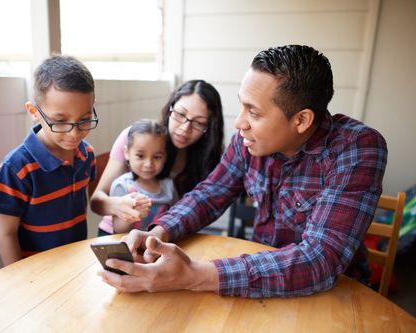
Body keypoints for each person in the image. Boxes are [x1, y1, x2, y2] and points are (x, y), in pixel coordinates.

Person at [97, 45, 388, 298]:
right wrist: (157, 233)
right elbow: (210, 194)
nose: (239, 123)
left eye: (254, 112)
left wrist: (194, 274)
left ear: (301, 120)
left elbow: (320, 260)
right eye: (241, 105)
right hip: (262, 279)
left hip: (337, 293)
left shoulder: (357, 148)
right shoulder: (248, 141)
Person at [0, 55, 98, 266]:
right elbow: (6, 234)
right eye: (60, 121)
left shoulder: (86, 154)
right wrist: (20, 280)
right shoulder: (16, 167)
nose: (74, 133)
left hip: (74, 264)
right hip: (35, 274)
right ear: (34, 112)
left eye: (84, 120)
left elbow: (93, 201)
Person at [91, 80, 225, 235]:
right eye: (180, 114)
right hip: (115, 235)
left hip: (164, 236)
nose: (184, 128)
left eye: (199, 123)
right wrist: (119, 205)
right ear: (170, 110)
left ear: (209, 128)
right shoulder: (137, 137)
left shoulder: (206, 159)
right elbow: (96, 202)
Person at [99, 119, 177, 234]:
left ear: (165, 156)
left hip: (154, 243)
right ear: (126, 153)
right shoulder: (122, 186)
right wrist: (133, 213)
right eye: (140, 156)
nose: (148, 164)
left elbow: (174, 219)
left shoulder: (169, 186)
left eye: (157, 157)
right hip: (119, 241)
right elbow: (118, 230)